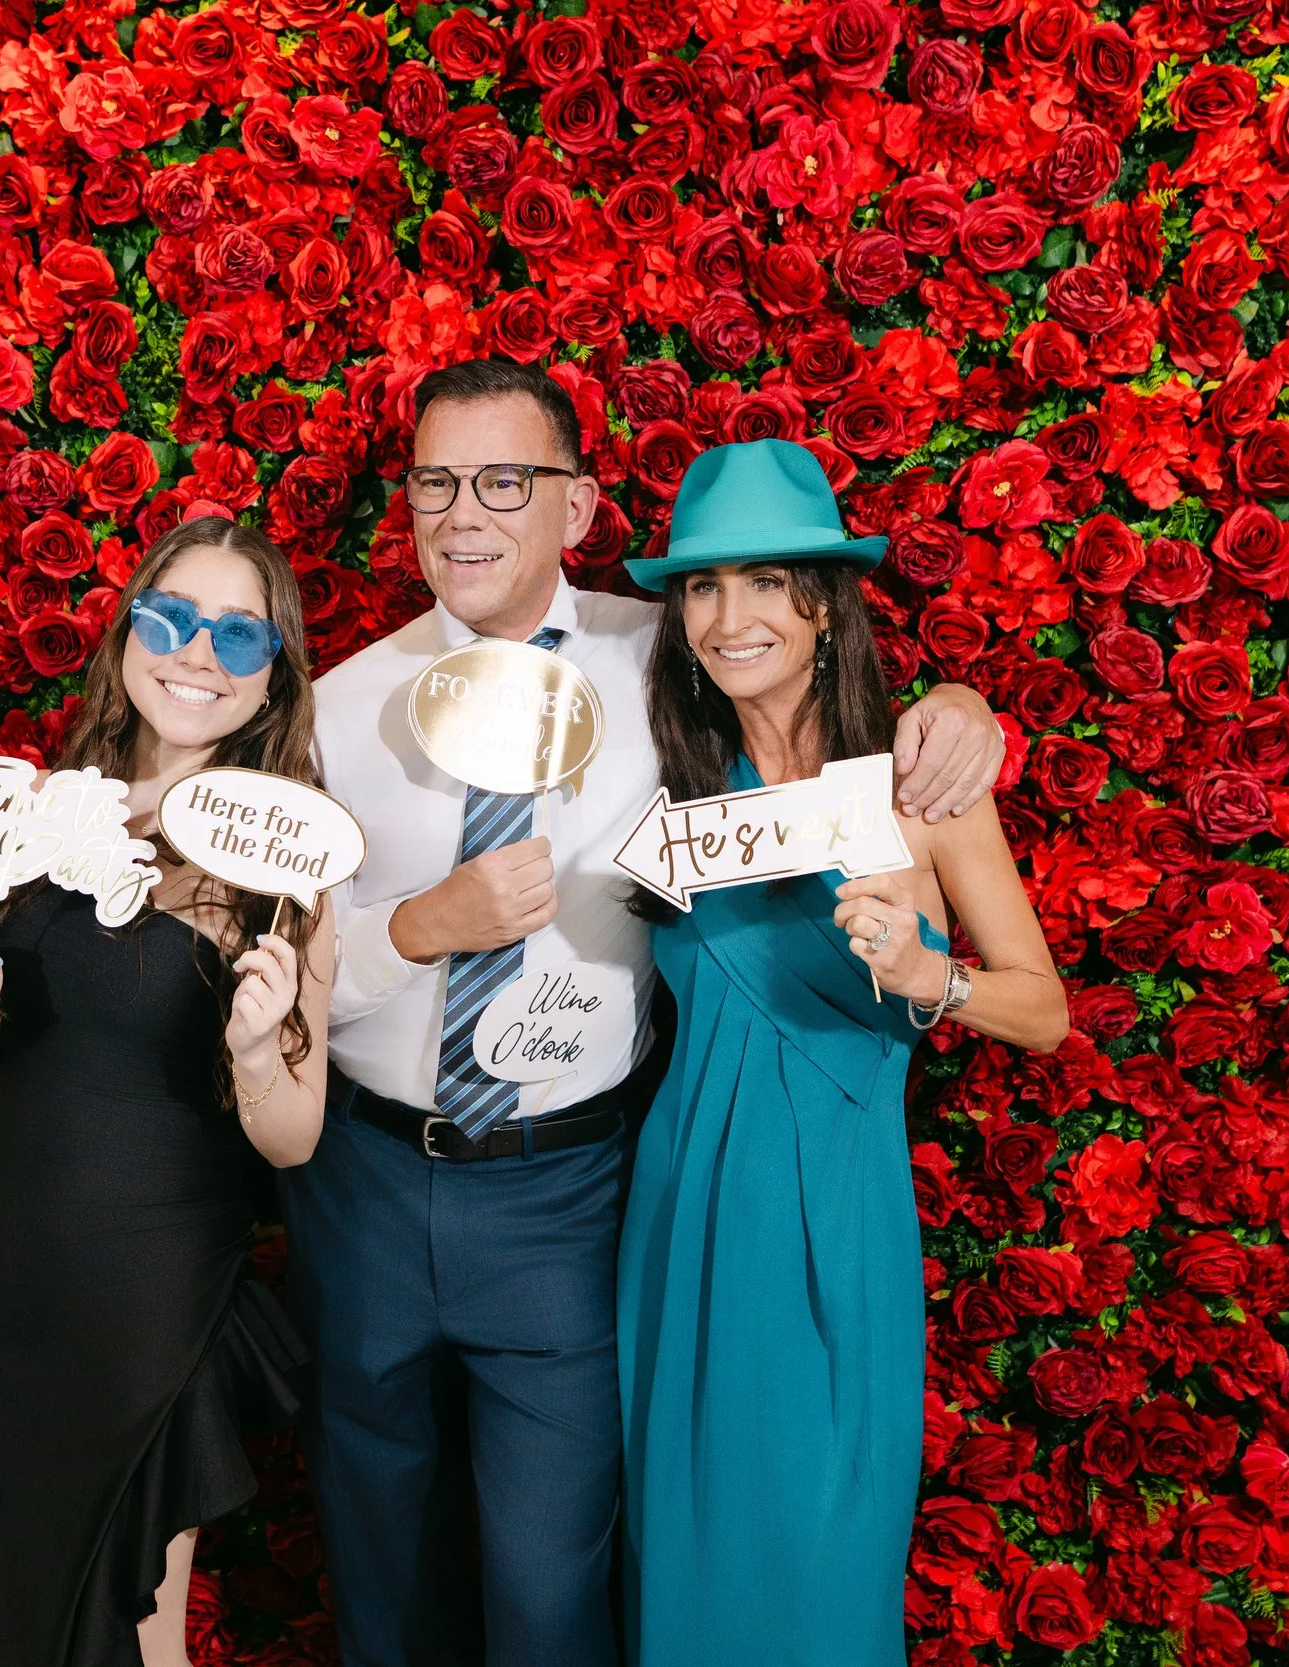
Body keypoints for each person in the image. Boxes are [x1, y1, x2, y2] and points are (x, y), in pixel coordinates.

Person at [287, 359, 1010, 1667]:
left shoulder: (658, 658)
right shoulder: (333, 708)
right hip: (365, 1178)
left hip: (574, 1192)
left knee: (555, 1586)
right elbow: (276, 971)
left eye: (505, 480)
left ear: (577, 506)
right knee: (380, 1561)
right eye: (437, 483)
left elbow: (841, 730)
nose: (466, 514)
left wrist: (963, 713)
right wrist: (416, 928)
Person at [615, 440, 1070, 1666]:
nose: (729, 615)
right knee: (687, 1557)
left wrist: (934, 977)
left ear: (824, 605)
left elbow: (1044, 1008)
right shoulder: (665, 776)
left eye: (766, 581)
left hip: (831, 1214)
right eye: (702, 588)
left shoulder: (921, 784)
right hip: (681, 1210)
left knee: (821, 1557)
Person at [0, 517, 336, 1667]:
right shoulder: (39, 809)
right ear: (126, 637)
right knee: (11, 1583)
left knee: (132, 1615)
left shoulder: (279, 868)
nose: (197, 653)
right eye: (171, 617)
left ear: (271, 674)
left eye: (238, 632)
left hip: (150, 1289)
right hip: (12, 1264)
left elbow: (294, 1139)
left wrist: (258, 1053)